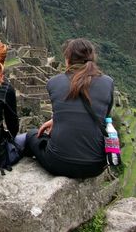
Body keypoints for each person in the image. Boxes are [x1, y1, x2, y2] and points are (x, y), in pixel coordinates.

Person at [25, 38, 114, 178]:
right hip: (96, 166)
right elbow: (103, 118)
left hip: (58, 162)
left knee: (32, 135)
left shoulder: (54, 82)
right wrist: (57, 120)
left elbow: (65, 106)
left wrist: (57, 120)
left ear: (67, 59)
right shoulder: (108, 83)